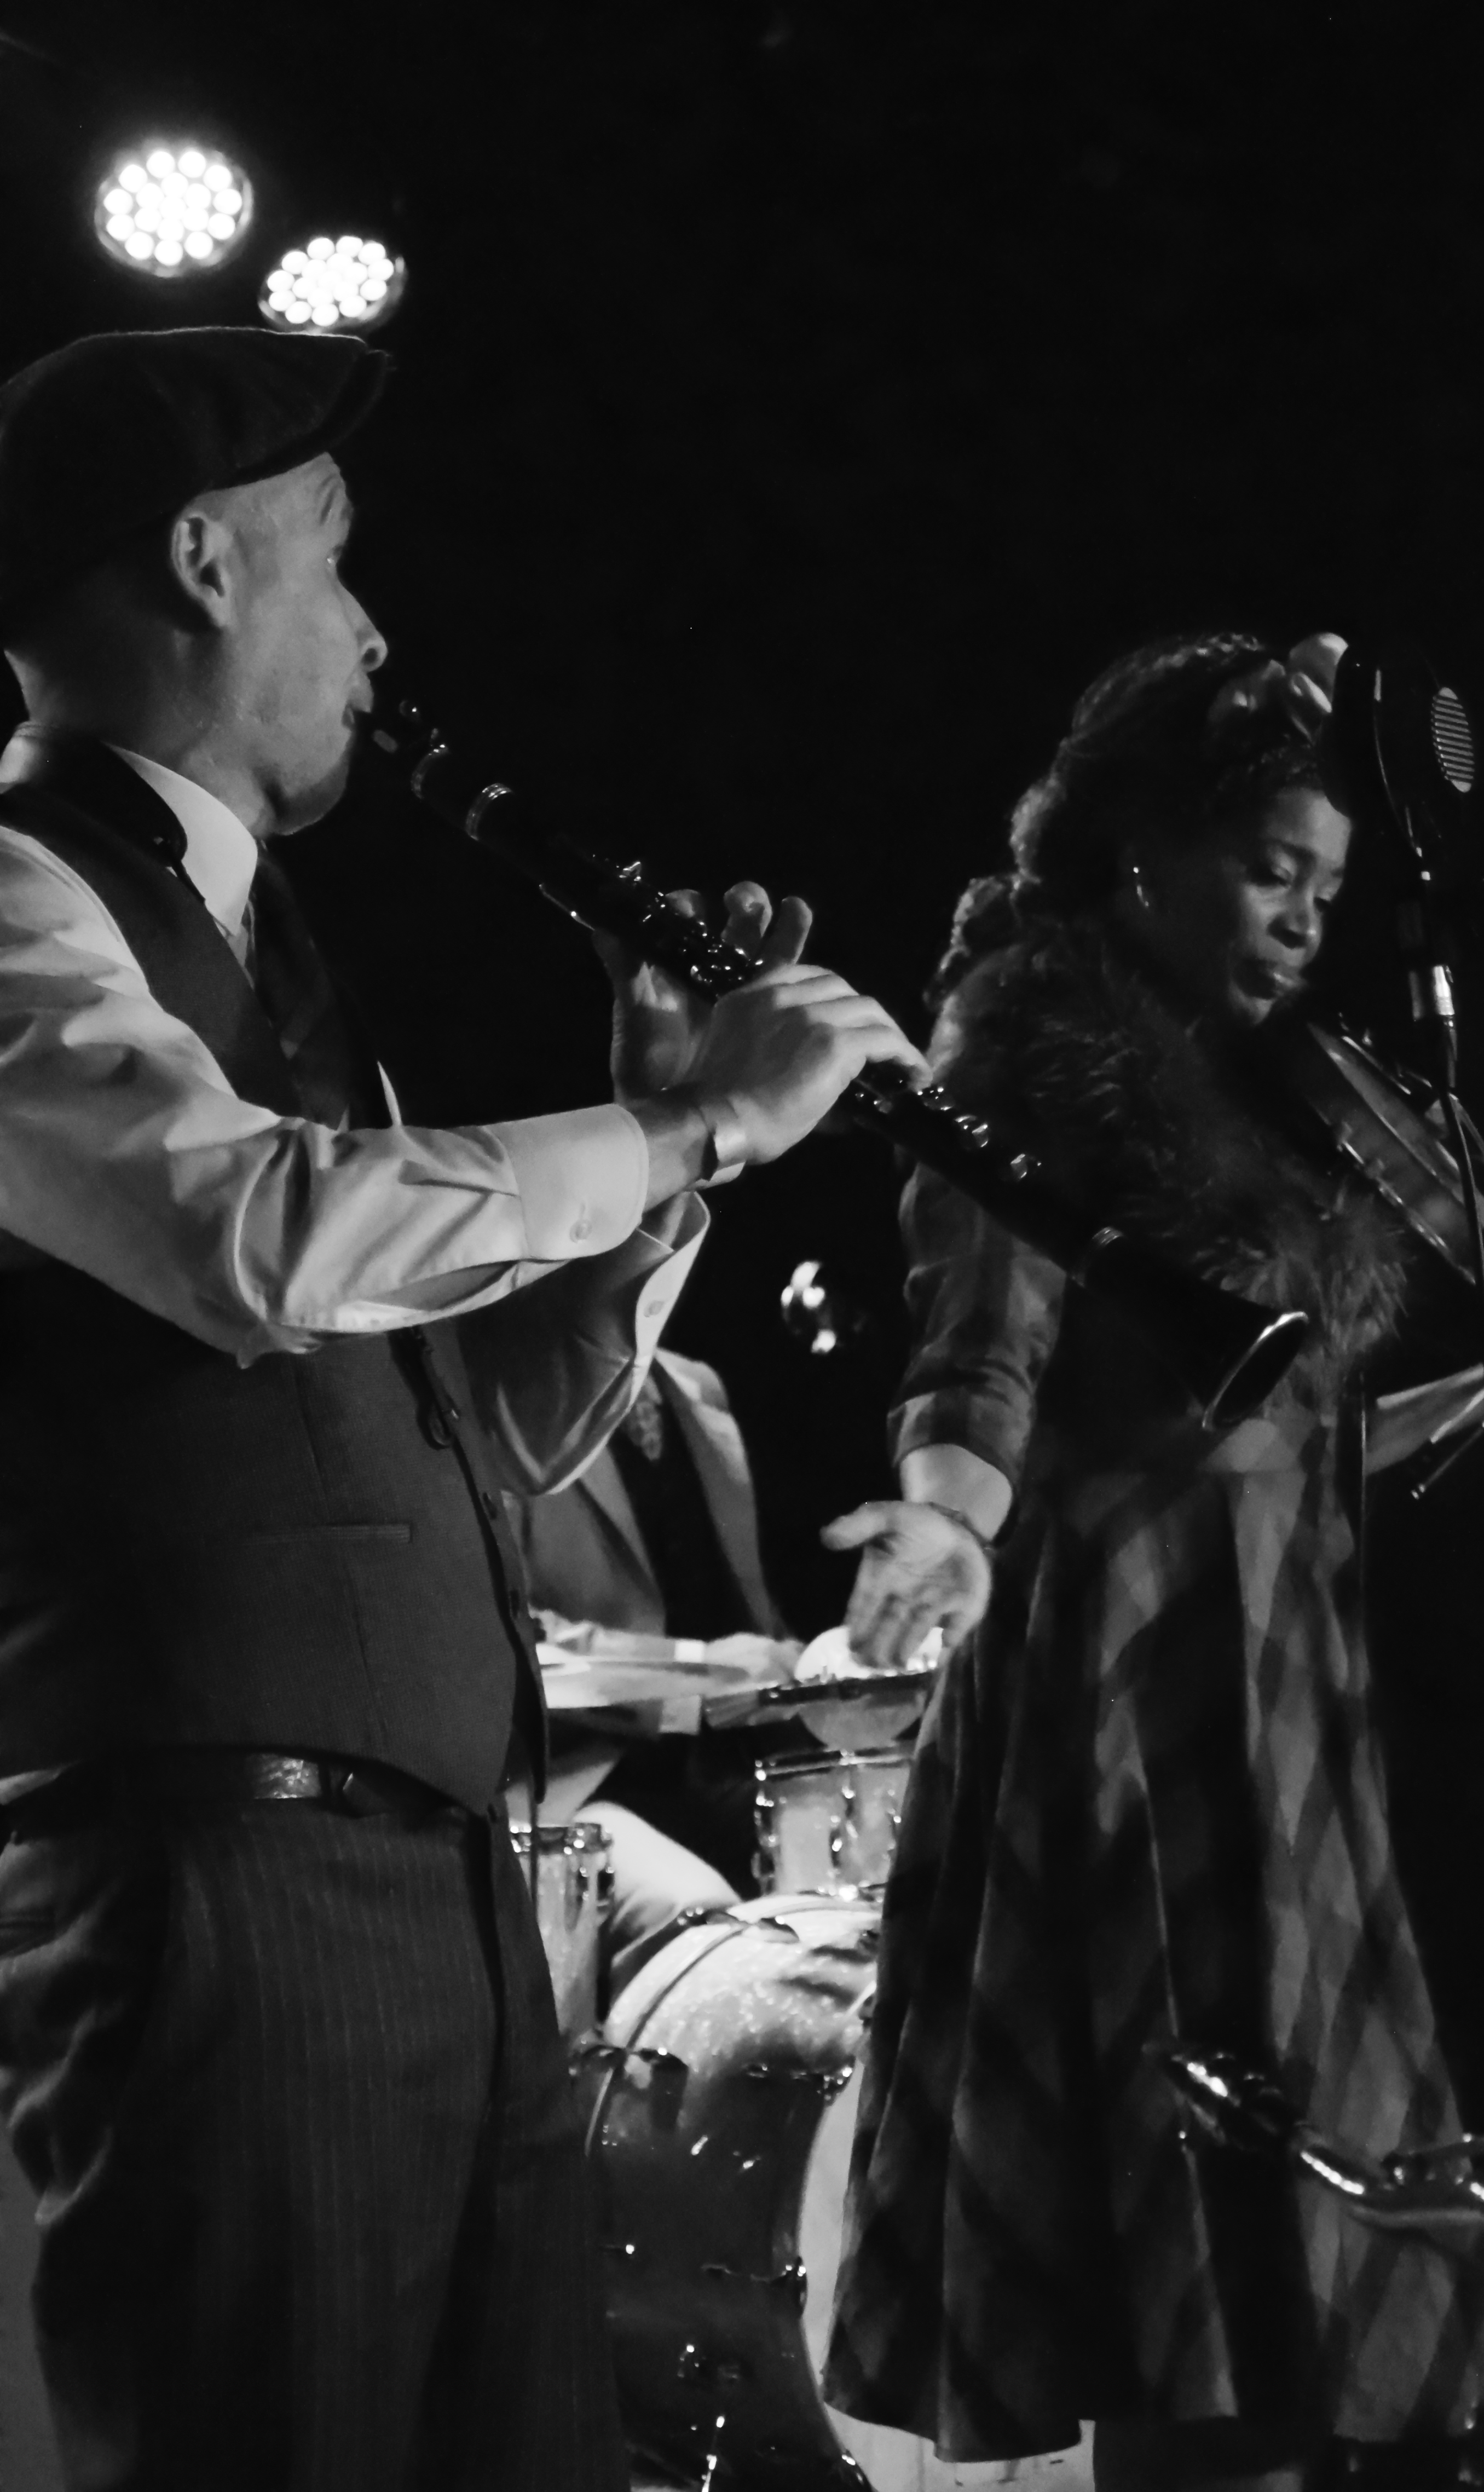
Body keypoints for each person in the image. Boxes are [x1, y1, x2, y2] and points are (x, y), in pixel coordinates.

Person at [0, 325, 922, 2492]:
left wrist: (659, 1154)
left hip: (444, 1888)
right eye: (336, 554)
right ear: (207, 561)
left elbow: (474, 1437)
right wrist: (692, 1128)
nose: (376, 628)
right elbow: (253, 1233)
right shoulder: (23, 892)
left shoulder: (274, 971)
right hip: (229, 1885)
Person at [821, 632, 1484, 2492]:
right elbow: (977, 1347)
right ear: (1143, 853)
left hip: (1280, 1697)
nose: (1305, 922)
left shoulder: (1275, 1087)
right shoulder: (1035, 1047)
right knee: (1169, 2266)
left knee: (1281, 2288)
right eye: (1271, 870)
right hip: (1128, 1691)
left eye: (1328, 889)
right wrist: (946, 1512)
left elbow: (1294, 1451)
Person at [511, 1340, 789, 1984]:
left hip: (725, 1768)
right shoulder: (505, 1390)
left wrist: (815, 1673)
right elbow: (510, 1632)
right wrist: (697, 1669)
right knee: (704, 1921)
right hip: (584, 1785)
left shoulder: (696, 1385)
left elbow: (736, 1597)